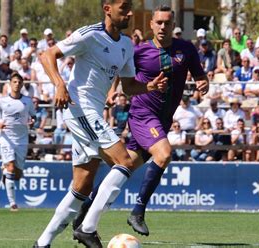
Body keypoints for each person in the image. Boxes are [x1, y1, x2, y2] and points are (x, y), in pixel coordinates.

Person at [33, 2, 178, 247]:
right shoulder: (89, 34)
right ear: (107, 8)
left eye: (130, 7)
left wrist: (149, 86)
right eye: (124, 7)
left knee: (82, 185)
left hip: (92, 113)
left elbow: (129, 86)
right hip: (80, 109)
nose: (130, 13)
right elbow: (47, 55)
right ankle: (87, 228)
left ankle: (42, 243)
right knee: (125, 161)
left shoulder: (125, 45)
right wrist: (59, 83)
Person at [70, 3, 208, 241]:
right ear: (151, 25)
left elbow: (199, 75)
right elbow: (120, 71)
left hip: (162, 120)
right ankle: (138, 211)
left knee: (125, 169)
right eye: (159, 22)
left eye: (167, 22)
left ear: (174, 25)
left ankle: (86, 209)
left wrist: (204, 83)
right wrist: (112, 92)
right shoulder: (139, 51)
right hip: (143, 115)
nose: (163, 26)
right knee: (164, 154)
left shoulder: (186, 49)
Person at [0, 73, 36, 212]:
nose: (17, 84)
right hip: (6, 138)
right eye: (14, 82)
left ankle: (5, 169)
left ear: (22, 84)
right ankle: (13, 203)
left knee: (18, 175)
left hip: (22, 139)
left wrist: (32, 121)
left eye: (19, 82)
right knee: (11, 168)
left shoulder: (27, 101)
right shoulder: (1, 101)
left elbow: (33, 116)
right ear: (10, 83)